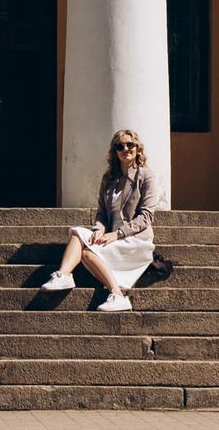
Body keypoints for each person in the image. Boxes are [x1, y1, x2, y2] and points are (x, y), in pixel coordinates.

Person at [41, 128, 158, 310]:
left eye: (130, 144)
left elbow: (146, 216)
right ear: (115, 152)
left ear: (137, 148)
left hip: (135, 239)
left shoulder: (145, 176)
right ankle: (64, 275)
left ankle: (117, 295)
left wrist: (117, 234)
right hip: (111, 236)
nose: (125, 149)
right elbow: (102, 213)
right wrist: (99, 230)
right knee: (77, 234)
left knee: (87, 253)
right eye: (120, 146)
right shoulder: (109, 179)